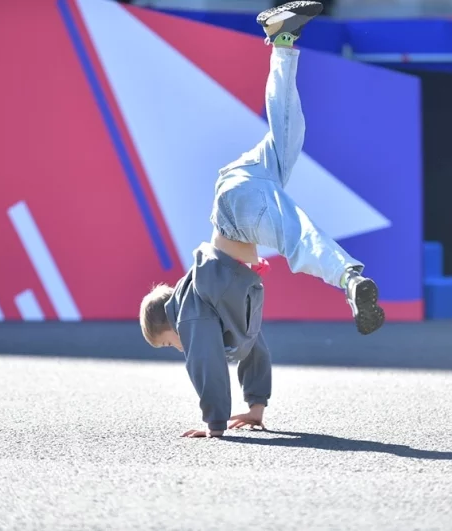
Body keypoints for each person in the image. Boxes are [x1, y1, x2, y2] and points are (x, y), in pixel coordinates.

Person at [138, 1, 385, 438]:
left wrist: (214, 424)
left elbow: (206, 364)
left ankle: (349, 278)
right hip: (243, 181)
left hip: (236, 212)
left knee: (295, 235)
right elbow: (253, 346)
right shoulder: (222, 308)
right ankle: (282, 40)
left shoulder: (188, 313)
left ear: (167, 327)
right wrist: (256, 407)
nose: (178, 347)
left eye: (168, 344)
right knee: (288, 132)